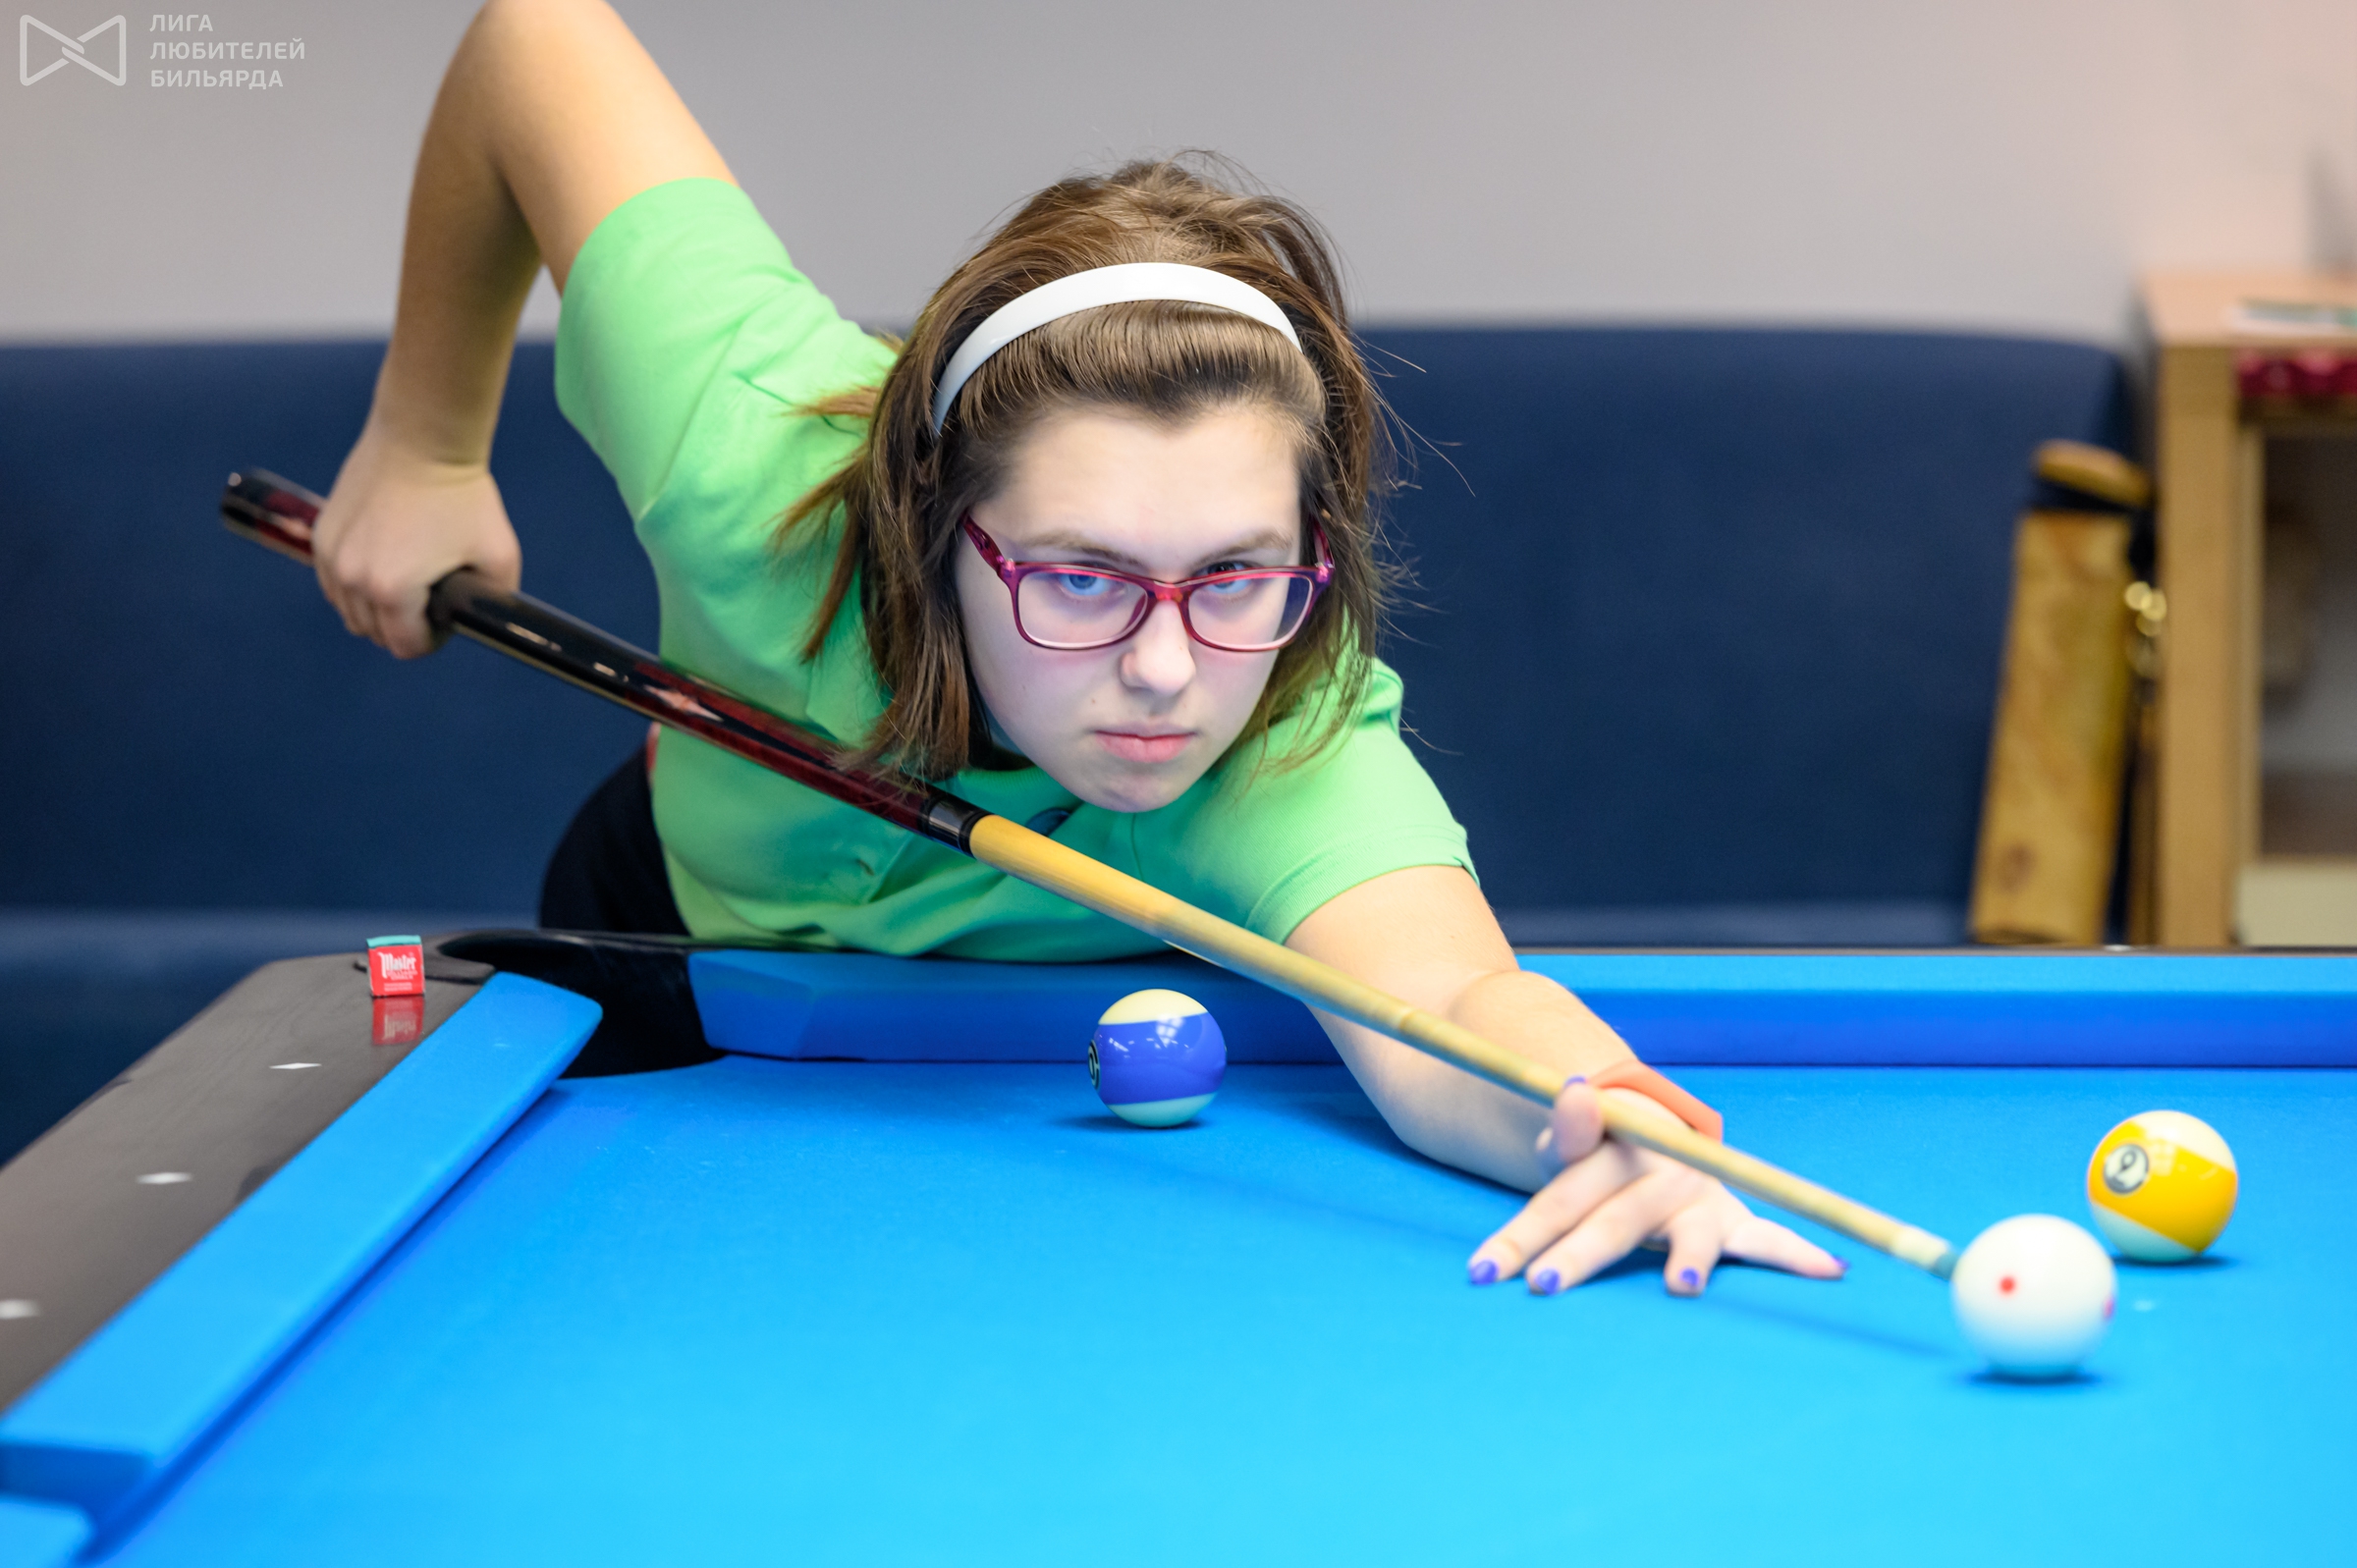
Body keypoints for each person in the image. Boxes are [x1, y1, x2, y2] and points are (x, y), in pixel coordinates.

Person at [313, 0, 1843, 1299]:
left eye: (1235, 574)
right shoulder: (752, 461)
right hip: (673, 921)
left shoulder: (1286, 745)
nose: (1169, 671)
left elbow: (1451, 1009)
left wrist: (1611, 1118)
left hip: (1056, 1072)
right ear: (934, 526)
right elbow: (536, 41)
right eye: (1081, 577)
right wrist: (425, 441)